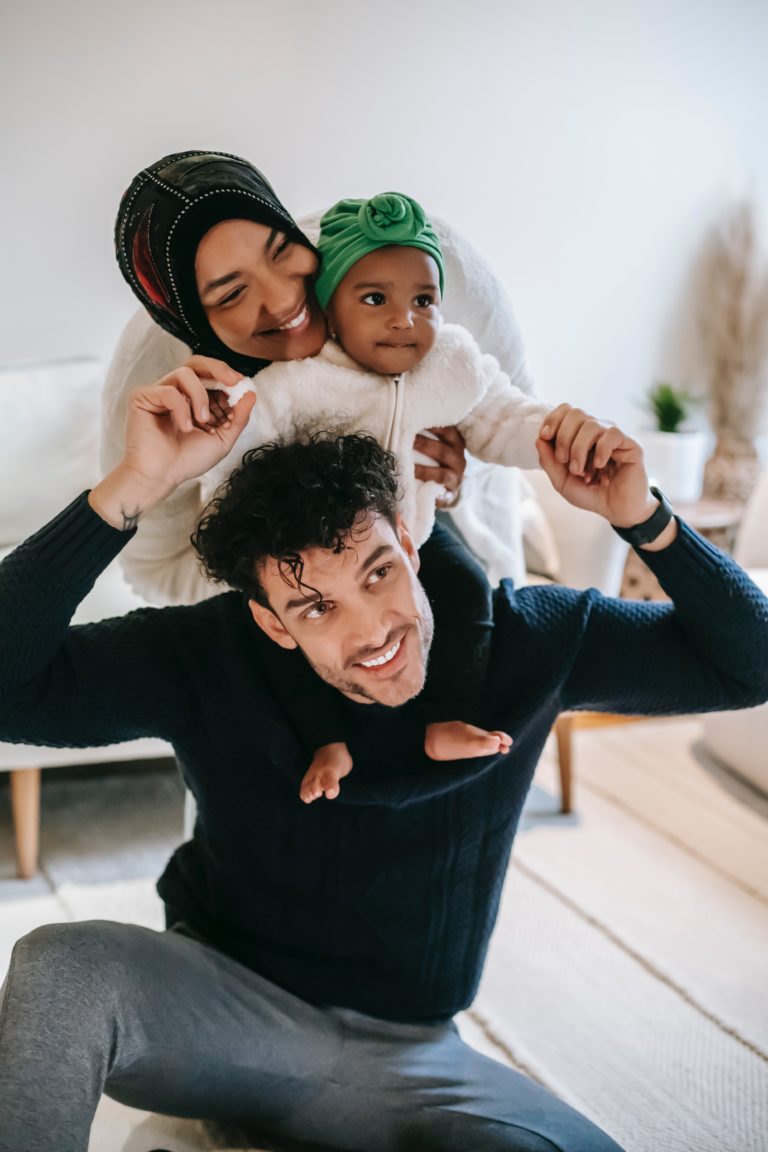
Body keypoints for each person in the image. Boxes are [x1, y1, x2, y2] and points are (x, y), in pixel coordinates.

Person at [1, 372, 766, 1152]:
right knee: (62, 965)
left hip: (414, 1057)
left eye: (377, 573)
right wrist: (134, 485)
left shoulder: (533, 639)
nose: (372, 631)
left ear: (408, 538)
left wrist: (644, 518)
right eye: (316, 607)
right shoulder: (206, 652)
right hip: (226, 1023)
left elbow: (752, 662)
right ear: (270, 621)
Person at [205, 190, 551, 800]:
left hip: (411, 530)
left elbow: (503, 418)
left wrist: (561, 436)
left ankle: (445, 717)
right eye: (375, 300)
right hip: (316, 553)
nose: (404, 319)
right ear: (330, 311)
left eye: (424, 301)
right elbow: (232, 470)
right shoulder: (295, 384)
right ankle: (326, 740)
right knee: (290, 632)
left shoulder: (449, 365)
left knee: (468, 585)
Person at [102, 150, 537, 610]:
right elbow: (155, 570)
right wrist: (294, 581)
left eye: (281, 250)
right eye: (232, 293)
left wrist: (455, 474)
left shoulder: (418, 260)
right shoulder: (156, 380)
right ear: (191, 324)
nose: (285, 297)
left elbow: (512, 407)